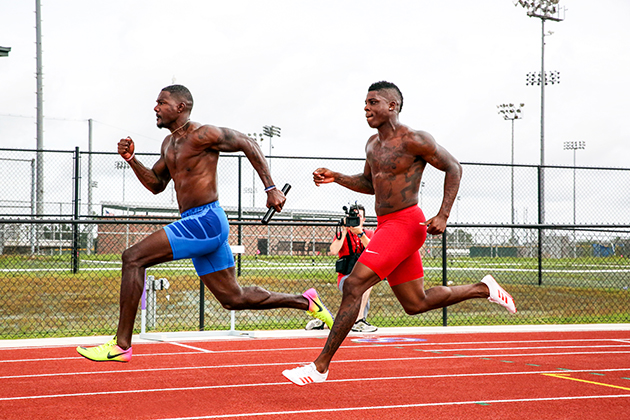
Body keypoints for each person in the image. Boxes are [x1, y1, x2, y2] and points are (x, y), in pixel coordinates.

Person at [282, 81, 516, 386]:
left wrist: (443, 214)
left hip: (405, 224)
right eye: (365, 103)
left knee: (354, 284)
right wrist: (337, 177)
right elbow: (371, 183)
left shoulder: (415, 140)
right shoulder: (371, 145)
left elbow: (454, 168)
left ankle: (320, 367)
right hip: (387, 224)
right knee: (415, 303)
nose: (366, 107)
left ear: (392, 106)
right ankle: (484, 289)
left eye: (373, 102)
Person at [77, 85, 334, 362]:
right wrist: (131, 160)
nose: (155, 108)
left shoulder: (203, 134)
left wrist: (271, 188)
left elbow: (250, 143)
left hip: (206, 219)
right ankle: (306, 301)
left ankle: (121, 344)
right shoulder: (169, 144)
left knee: (133, 257)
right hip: (195, 222)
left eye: (161, 103)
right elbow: (156, 184)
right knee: (233, 298)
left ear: (180, 107)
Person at [305, 204, 377, 333]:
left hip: (362, 277)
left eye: (359, 216)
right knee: (365, 285)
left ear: (364, 219)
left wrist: (360, 234)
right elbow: (333, 251)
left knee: (354, 307)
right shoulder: (342, 234)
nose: (356, 219)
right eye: (353, 216)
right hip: (346, 278)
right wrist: (344, 231)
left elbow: (373, 251)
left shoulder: (369, 234)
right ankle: (359, 321)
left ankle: (324, 323)